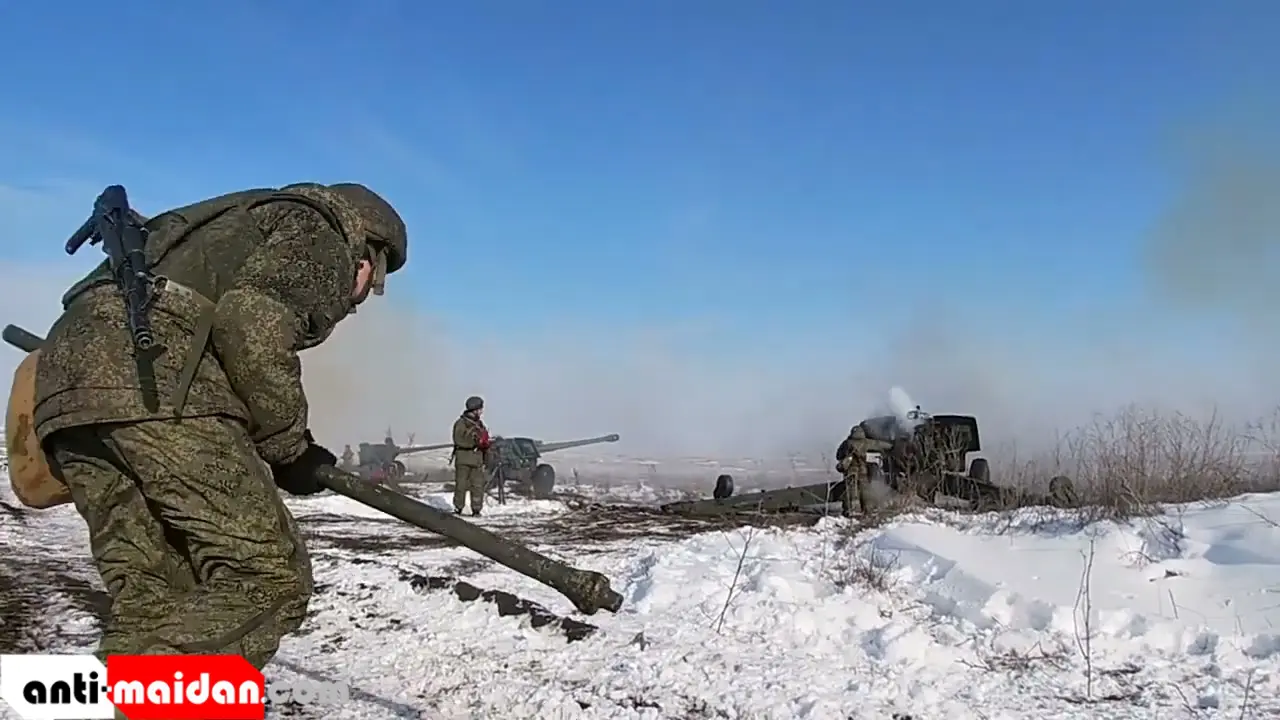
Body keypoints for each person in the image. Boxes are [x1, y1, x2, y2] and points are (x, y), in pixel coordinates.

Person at [31, 181, 408, 668]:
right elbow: (251, 326)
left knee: (154, 593)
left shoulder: (224, 225)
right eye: (371, 285)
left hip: (67, 391)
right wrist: (289, 448)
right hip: (155, 387)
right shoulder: (322, 229)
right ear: (367, 257)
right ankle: (163, 690)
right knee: (267, 577)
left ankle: (126, 695)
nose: (358, 300)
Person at [835, 423, 891, 517]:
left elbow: (838, 456)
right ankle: (870, 509)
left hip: (850, 471)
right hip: (862, 469)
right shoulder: (866, 442)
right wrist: (891, 446)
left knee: (852, 491)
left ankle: (853, 510)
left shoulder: (846, 443)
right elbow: (878, 444)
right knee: (866, 490)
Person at [451, 395, 490, 516]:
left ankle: (476, 509)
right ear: (475, 409)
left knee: (478, 486)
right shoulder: (461, 423)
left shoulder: (480, 424)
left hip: (477, 459)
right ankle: (458, 508)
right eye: (480, 409)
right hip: (463, 459)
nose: (481, 411)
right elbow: (458, 440)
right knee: (461, 485)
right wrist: (474, 442)